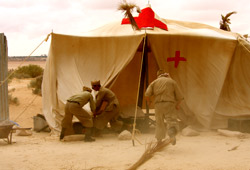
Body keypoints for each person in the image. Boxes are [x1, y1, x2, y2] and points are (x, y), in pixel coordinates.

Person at [145, 70, 184, 145]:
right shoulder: (172, 82)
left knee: (159, 123)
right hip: (169, 104)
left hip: (158, 105)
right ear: (166, 75)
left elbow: (147, 94)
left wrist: (149, 102)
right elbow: (180, 96)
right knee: (171, 121)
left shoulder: (154, 82)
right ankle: (171, 134)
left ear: (158, 75)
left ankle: (159, 141)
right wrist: (177, 105)